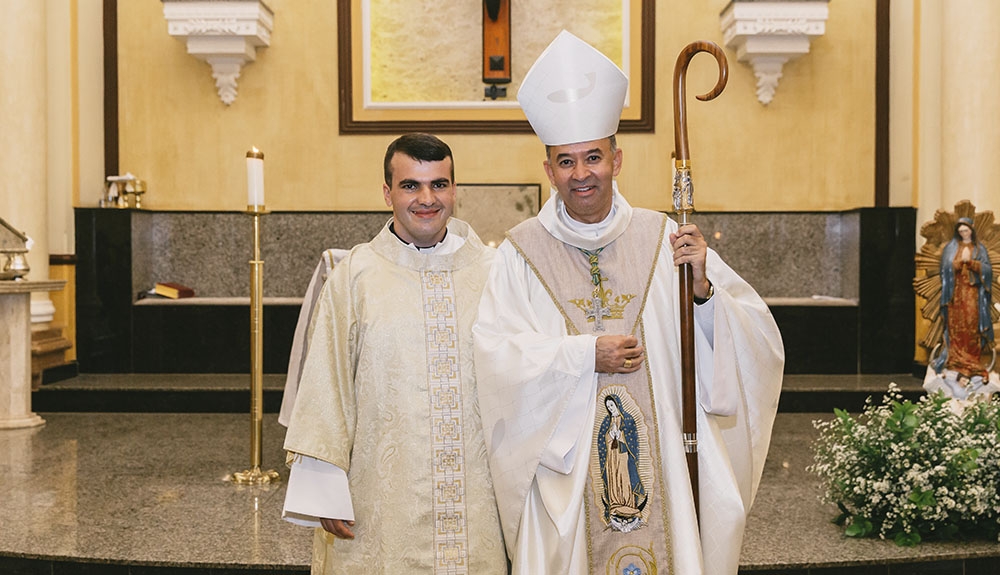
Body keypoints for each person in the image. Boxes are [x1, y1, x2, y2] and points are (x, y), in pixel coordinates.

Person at [473, 30, 785, 575]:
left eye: (593, 157)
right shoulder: (521, 253)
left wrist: (703, 292)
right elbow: (498, 358)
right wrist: (582, 355)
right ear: (548, 172)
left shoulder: (666, 238)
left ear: (617, 159)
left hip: (664, 456)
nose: (581, 174)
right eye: (566, 162)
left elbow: (757, 338)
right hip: (568, 477)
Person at [282, 133, 507, 574]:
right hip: (380, 500)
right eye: (410, 186)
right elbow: (326, 382)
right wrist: (324, 486)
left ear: (454, 190)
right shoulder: (356, 275)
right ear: (387, 193)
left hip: (476, 499)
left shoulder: (493, 273)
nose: (427, 199)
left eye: (438, 184)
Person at [932, 217, 994, 379]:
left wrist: (973, 263)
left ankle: (972, 361)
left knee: (972, 325)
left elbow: (988, 270)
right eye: (960, 232)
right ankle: (955, 360)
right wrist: (959, 263)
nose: (963, 234)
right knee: (956, 326)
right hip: (955, 295)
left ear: (972, 230)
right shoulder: (951, 248)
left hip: (973, 295)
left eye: (966, 231)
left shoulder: (980, 249)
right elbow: (945, 270)